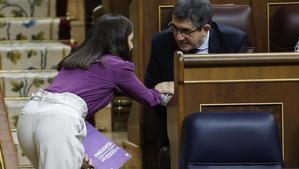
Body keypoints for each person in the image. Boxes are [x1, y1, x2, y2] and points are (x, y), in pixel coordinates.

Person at [17, 14, 173, 169]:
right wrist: (168, 86)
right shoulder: (116, 65)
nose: (132, 46)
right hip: (59, 119)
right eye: (130, 40)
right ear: (119, 40)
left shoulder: (76, 59)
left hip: (30, 114)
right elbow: (150, 98)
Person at [144, 0, 248, 168]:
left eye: (186, 31)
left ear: (205, 29)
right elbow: (150, 89)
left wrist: (179, 89)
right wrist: (174, 101)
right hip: (178, 126)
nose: (178, 36)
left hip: (223, 122)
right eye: (174, 28)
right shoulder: (161, 41)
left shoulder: (233, 41)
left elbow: (238, 91)